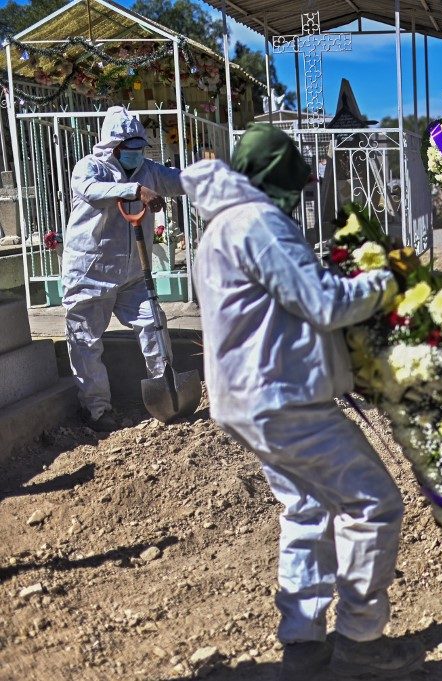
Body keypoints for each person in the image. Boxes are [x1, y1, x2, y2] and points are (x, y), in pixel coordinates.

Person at [182, 123, 421, 680]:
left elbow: (283, 302)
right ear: (274, 180)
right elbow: (323, 303)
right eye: (293, 187)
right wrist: (384, 281)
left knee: (308, 508)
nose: (296, 199)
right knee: (372, 504)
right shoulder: (258, 222)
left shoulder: (223, 225)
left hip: (252, 396)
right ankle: (361, 642)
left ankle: (303, 644)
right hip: (281, 396)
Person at [63, 106, 185, 432]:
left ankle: (166, 392)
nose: (137, 155)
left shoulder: (147, 169)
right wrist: (134, 190)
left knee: (154, 323)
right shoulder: (89, 167)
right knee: (85, 341)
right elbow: (92, 191)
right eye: (130, 149)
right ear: (114, 147)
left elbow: (180, 180)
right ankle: (97, 411)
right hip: (90, 272)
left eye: (140, 148)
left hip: (132, 274)